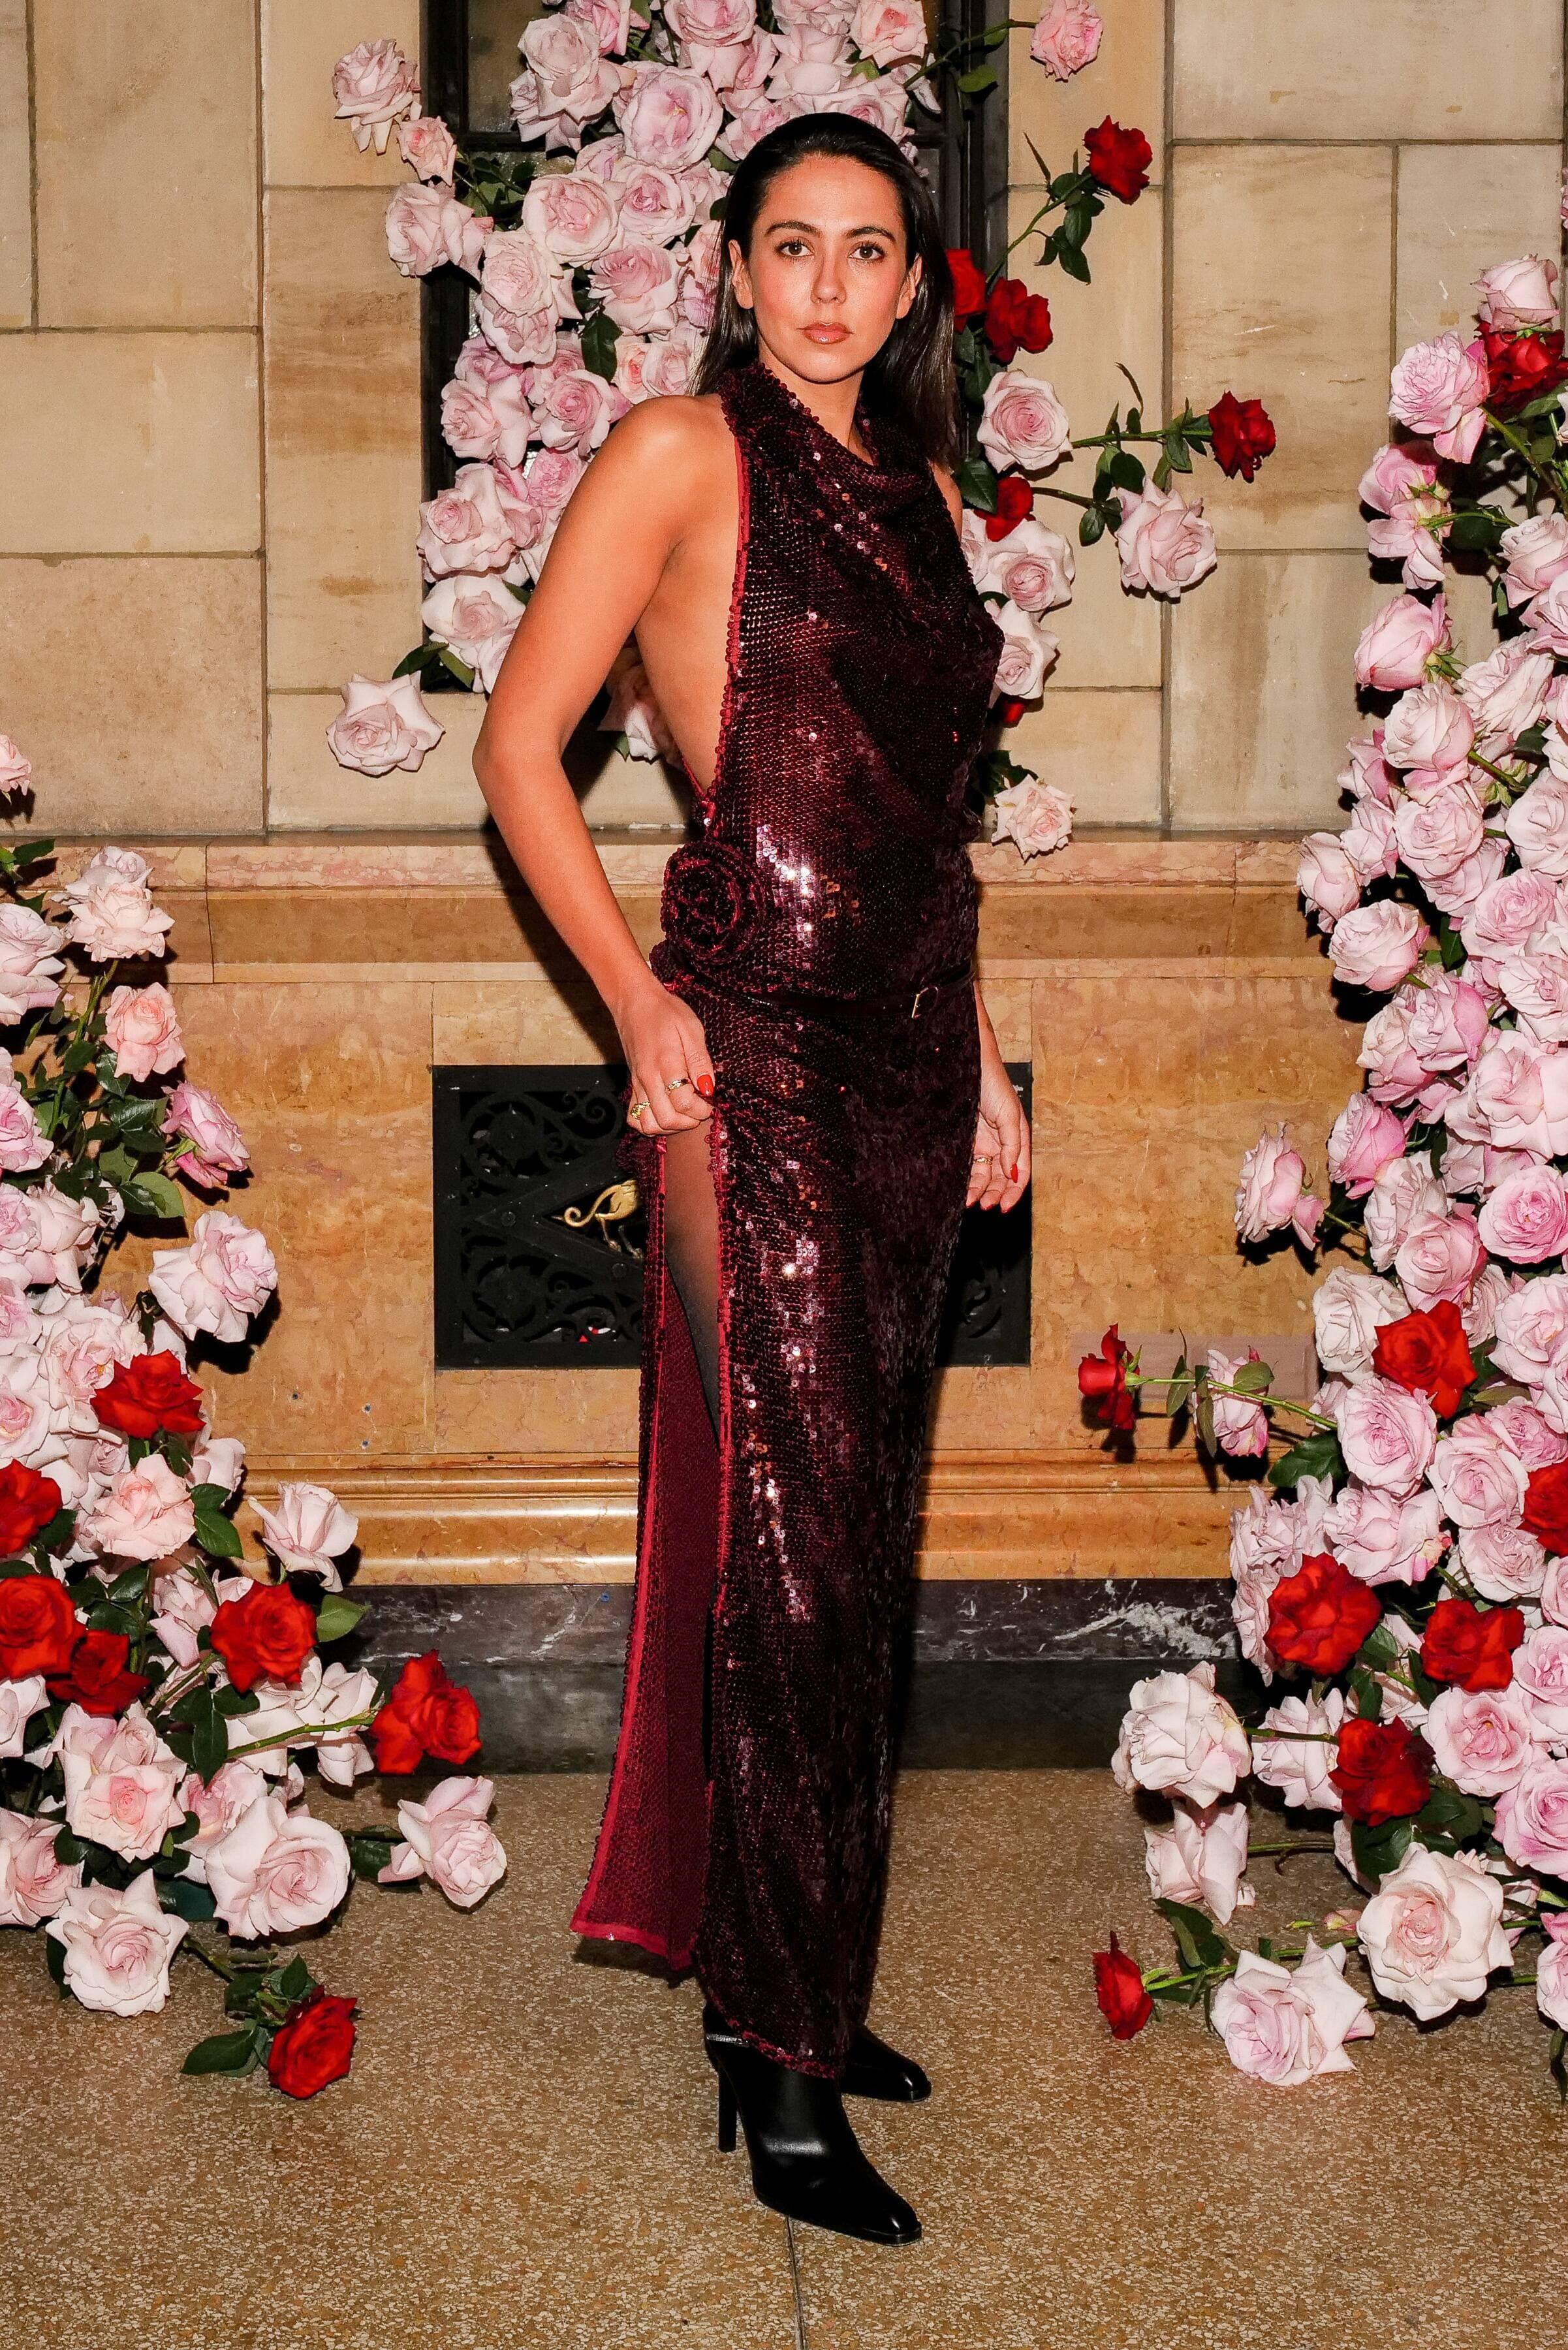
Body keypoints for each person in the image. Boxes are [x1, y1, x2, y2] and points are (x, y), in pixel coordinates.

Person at [473, 111, 1031, 2247]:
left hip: (908, 1048)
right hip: (753, 1050)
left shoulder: (927, 496)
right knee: (794, 1549)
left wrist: (985, 1059)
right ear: (730, 269)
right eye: (788, 245)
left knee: (854, 1548)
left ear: (909, 289)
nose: (825, 285)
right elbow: (519, 750)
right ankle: (781, 2061)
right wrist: (634, 1001)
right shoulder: (678, 457)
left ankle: (787, 1981)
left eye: (865, 251)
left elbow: (925, 826)